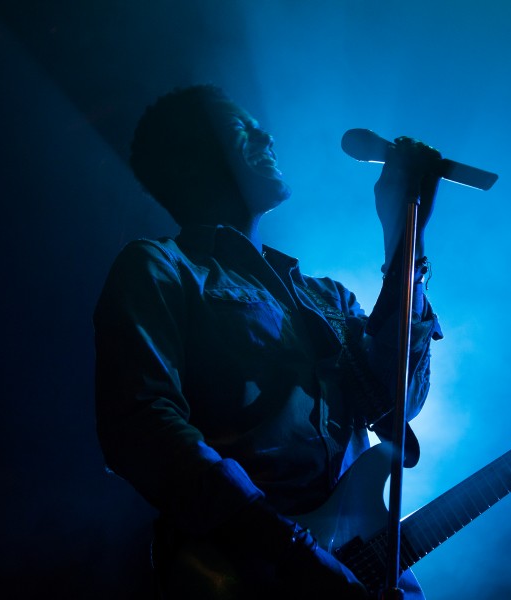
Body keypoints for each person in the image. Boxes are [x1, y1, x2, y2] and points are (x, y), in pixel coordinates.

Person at [93, 84, 443, 599]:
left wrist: (403, 234)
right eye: (240, 128)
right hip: (239, 574)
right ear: (187, 162)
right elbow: (142, 426)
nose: (267, 136)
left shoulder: (325, 296)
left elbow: (397, 402)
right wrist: (293, 552)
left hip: (357, 563)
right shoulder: (160, 268)